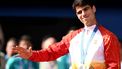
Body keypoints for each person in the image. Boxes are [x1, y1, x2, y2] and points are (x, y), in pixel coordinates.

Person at [12, 0, 120, 69]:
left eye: (86, 9)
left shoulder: (108, 37)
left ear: (93, 8)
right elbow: (51, 52)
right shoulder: (73, 37)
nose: (83, 14)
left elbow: (114, 66)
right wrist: (31, 55)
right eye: (79, 12)